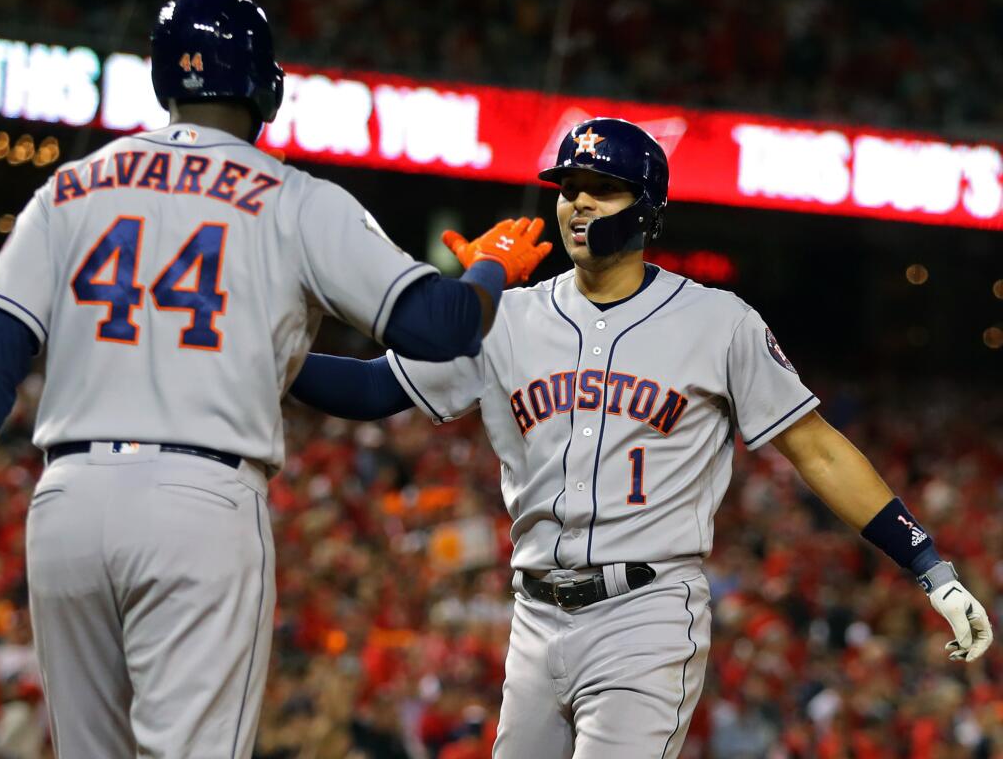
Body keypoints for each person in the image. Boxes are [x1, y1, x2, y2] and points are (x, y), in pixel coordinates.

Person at [0, 0, 551, 758]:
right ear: (267, 87)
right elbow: (443, 325)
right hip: (199, 510)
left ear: (162, 79)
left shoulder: (73, 186)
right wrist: (488, 269)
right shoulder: (293, 199)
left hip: (67, 510)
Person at [289, 117, 994, 757]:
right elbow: (372, 388)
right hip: (534, 614)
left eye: (603, 188)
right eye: (568, 187)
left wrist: (928, 564)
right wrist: (261, 354)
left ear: (647, 211)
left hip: (647, 614)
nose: (578, 203)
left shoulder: (718, 322)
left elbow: (817, 448)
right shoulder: (507, 315)